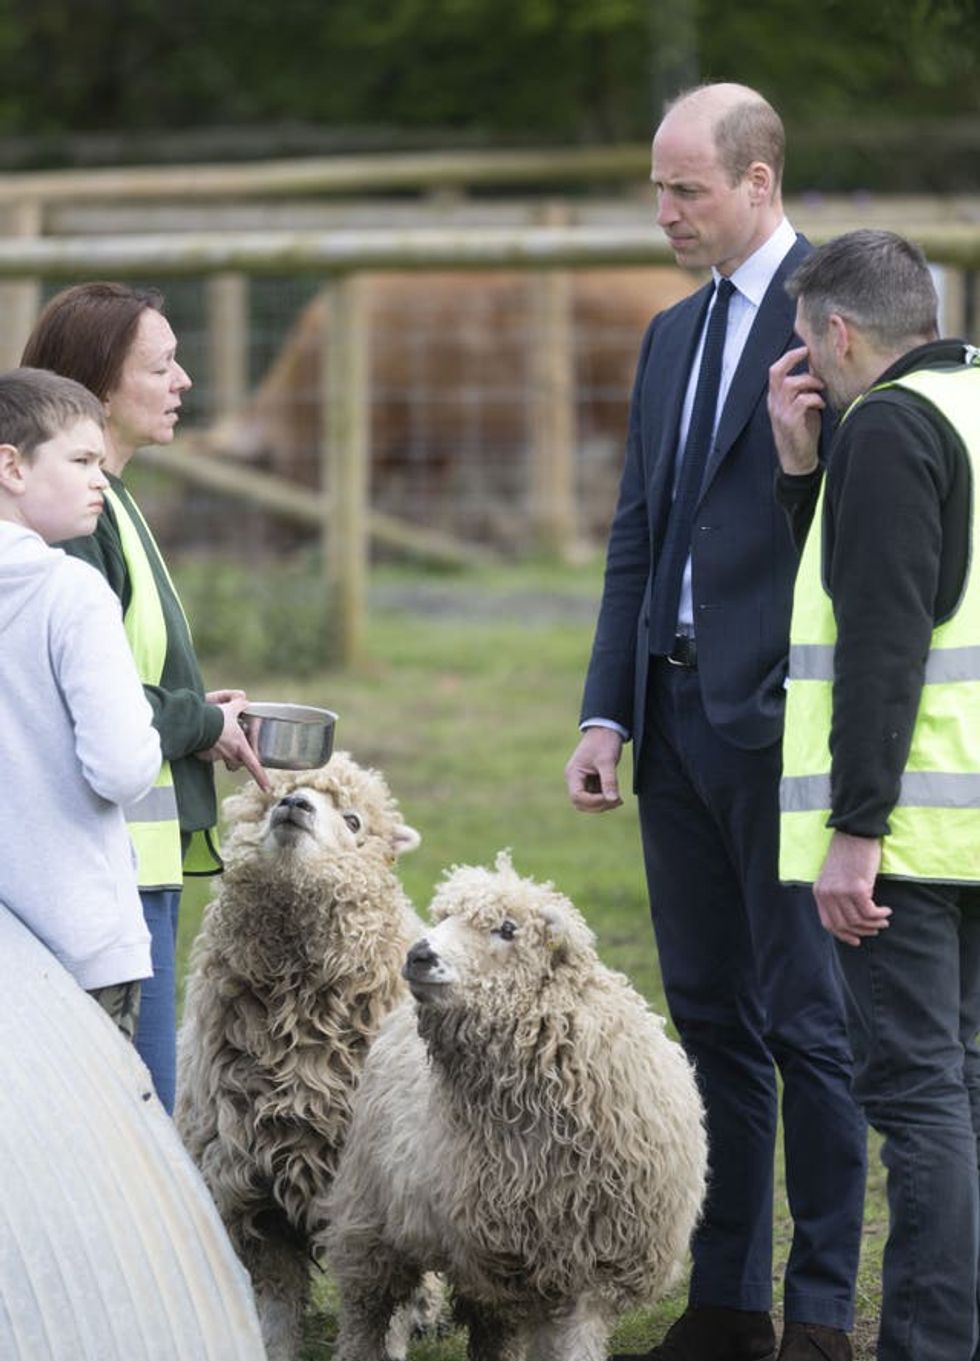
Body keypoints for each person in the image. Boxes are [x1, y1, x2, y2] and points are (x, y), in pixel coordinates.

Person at [564, 83, 866, 1361]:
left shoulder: (844, 319)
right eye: (656, 186)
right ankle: (728, 1300)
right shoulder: (669, 335)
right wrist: (604, 710)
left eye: (684, 187)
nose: (664, 209)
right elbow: (637, 532)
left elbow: (873, 534)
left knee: (808, 1022)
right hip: (672, 719)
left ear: (757, 181)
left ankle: (816, 1311)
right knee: (706, 1015)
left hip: (786, 724)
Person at [769, 228, 980, 1361]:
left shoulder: (889, 428)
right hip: (968, 818)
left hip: (913, 830)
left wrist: (854, 830)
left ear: (838, 335)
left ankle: (927, 1343)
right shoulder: (965, 411)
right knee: (967, 1091)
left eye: (808, 345)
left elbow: (882, 636)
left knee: (918, 1104)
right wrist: (802, 473)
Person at [22, 283, 269, 1115]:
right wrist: (201, 720)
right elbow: (96, 702)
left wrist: (202, 710)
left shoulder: (112, 503)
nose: (184, 380)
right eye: (160, 365)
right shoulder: (81, 527)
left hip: (133, 866)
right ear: (96, 390)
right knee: (136, 1118)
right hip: (110, 872)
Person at [0, 366, 161, 1038]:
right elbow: (123, 768)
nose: (102, 478)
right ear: (10, 465)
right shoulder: (71, 591)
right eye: (82, 459)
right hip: (80, 940)